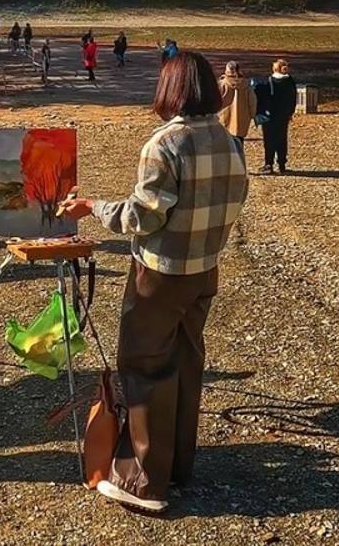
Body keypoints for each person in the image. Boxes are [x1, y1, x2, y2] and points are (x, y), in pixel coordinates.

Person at [59, 52, 249, 513]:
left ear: (171, 89)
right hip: (204, 270)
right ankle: (177, 466)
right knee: (185, 364)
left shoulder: (165, 143)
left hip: (161, 272)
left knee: (145, 368)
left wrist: (93, 207)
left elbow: (142, 216)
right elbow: (235, 198)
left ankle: (144, 483)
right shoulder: (227, 139)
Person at [259, 59, 298, 174]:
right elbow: (293, 98)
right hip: (283, 115)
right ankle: (282, 164)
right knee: (282, 139)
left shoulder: (269, 81)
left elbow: (264, 97)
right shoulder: (290, 81)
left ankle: (268, 164)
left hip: (270, 115)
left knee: (269, 140)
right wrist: (290, 112)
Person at [218, 61, 255, 146]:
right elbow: (252, 102)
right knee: (238, 145)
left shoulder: (222, 85)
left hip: (223, 119)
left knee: (224, 147)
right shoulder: (246, 86)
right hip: (241, 120)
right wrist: (252, 115)